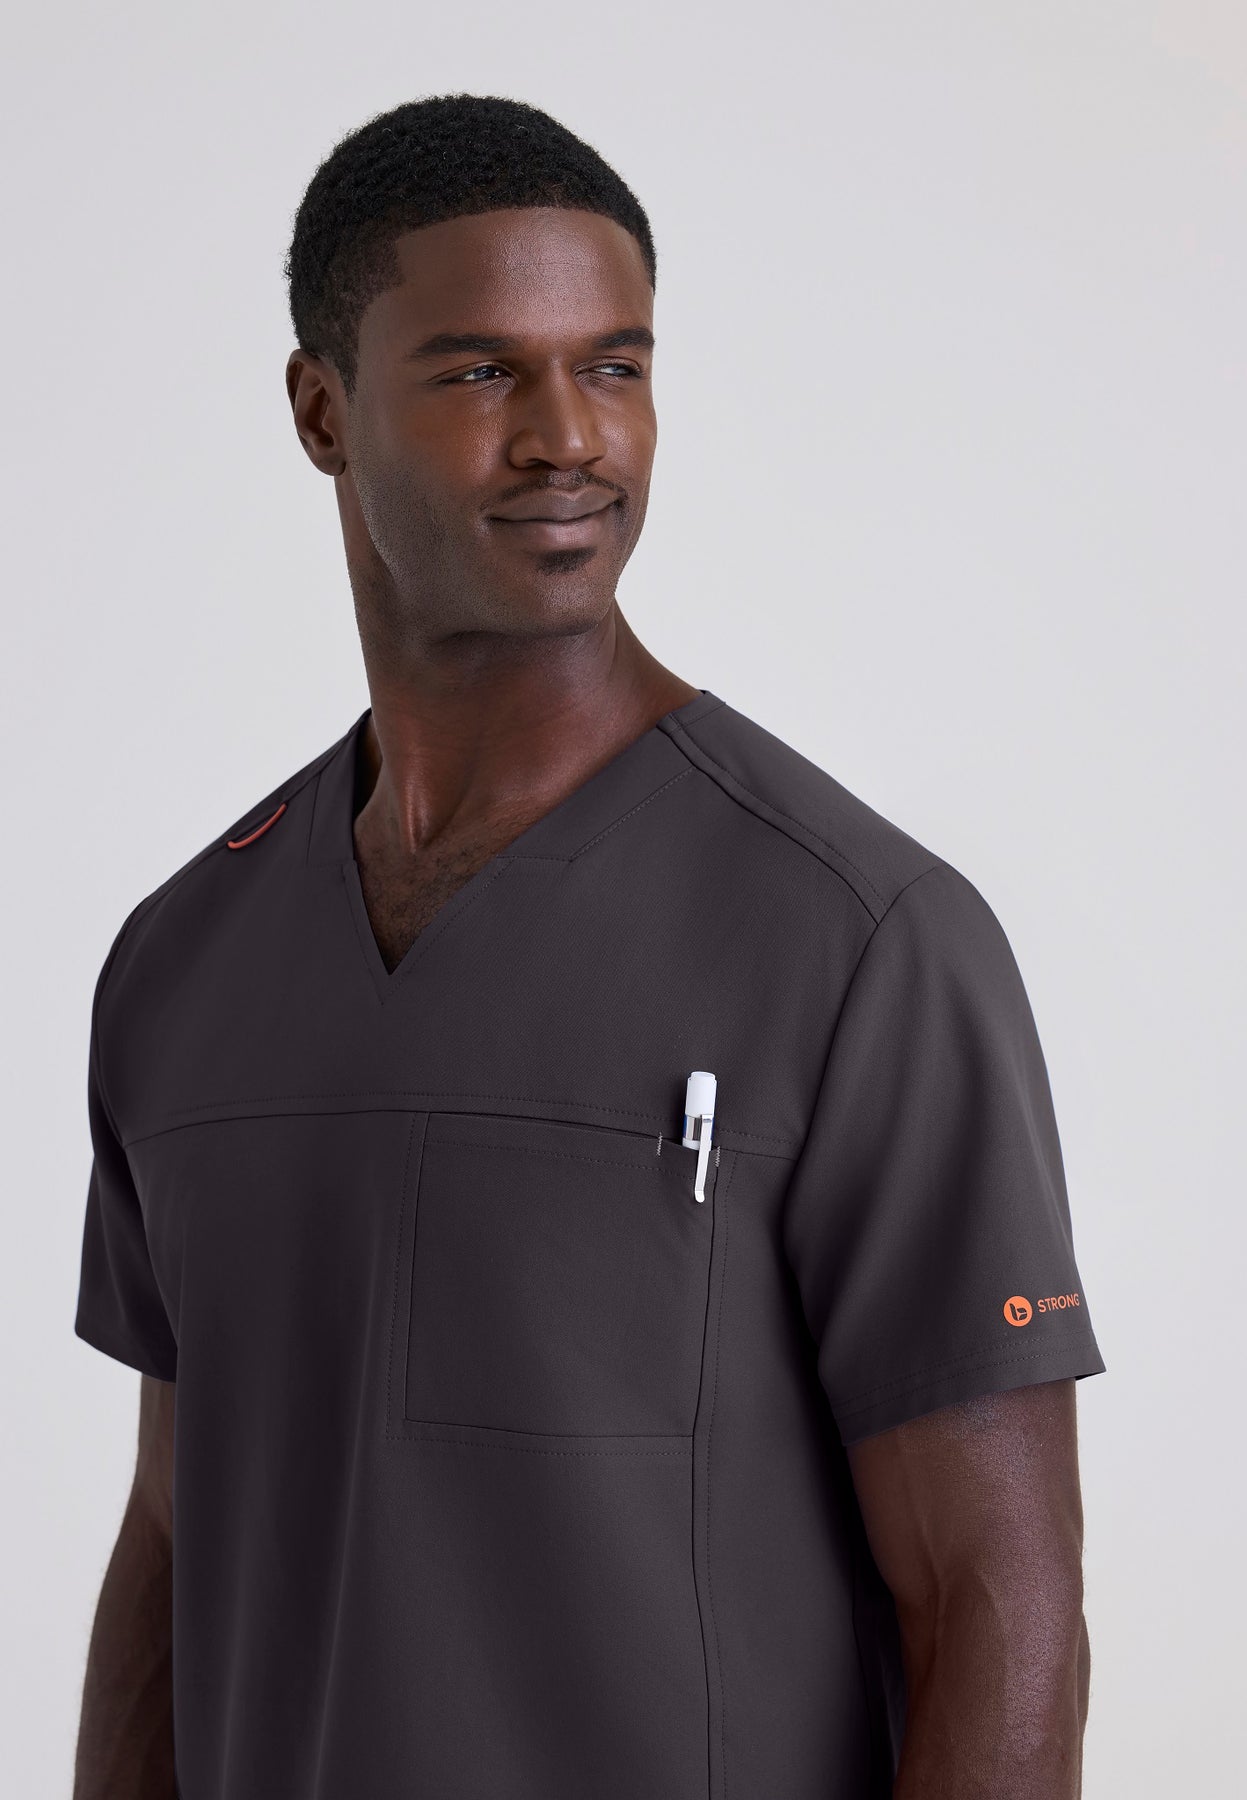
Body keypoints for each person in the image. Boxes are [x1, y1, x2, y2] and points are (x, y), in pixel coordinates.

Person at [71, 93, 1106, 1800]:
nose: (569, 437)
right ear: (323, 412)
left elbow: (1001, 1604)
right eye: (483, 371)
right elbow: (178, 1538)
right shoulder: (187, 963)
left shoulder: (859, 942)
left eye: (614, 366)